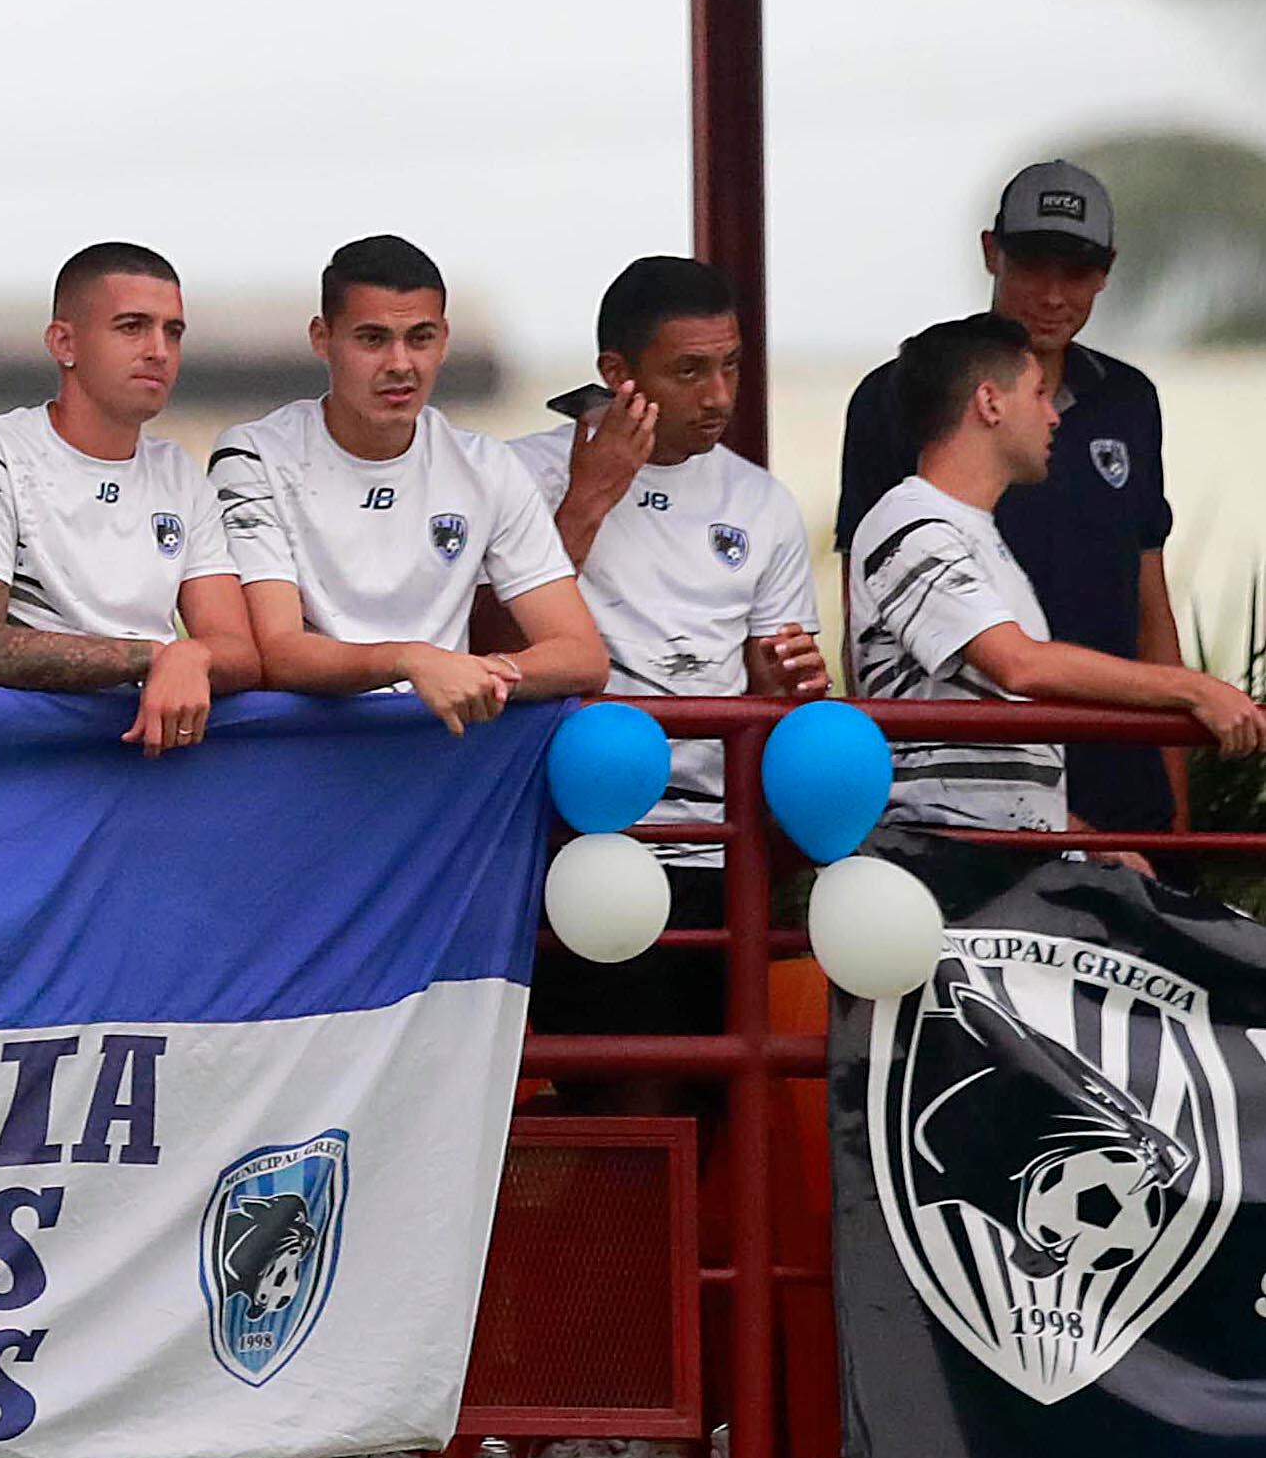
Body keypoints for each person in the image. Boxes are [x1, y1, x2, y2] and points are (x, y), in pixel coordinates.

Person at [507, 255, 822, 1045]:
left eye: (731, 366)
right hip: (574, 835)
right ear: (618, 372)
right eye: (689, 371)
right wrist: (590, 495)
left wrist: (797, 685)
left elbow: (772, 690)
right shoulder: (518, 473)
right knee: (626, 1100)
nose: (718, 396)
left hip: (721, 850)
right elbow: (485, 647)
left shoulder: (760, 500)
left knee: (717, 1099)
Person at [837, 162, 1187, 838]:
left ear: (1107, 270)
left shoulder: (1130, 399)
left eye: (1078, 270)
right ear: (991, 252)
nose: (1053, 295)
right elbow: (868, 619)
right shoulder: (901, 394)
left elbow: (1152, 607)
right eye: (1032, 264)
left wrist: (1177, 819)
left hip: (1120, 768)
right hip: (977, 795)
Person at [850, 311, 1262, 835]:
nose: (1054, 416)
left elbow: (997, 757)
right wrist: (1195, 690)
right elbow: (1020, 666)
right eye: (1039, 393)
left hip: (995, 860)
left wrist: (1088, 843)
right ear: (989, 403)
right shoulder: (910, 523)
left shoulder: (969, 531)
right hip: (953, 867)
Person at [209, 236, 606, 728]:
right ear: (320, 337)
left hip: (442, 753)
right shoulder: (254, 454)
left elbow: (582, 655)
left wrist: (482, 674)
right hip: (309, 750)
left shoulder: (486, 464)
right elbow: (280, 653)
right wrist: (412, 662)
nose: (400, 363)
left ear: (444, 339)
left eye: (419, 338)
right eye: (372, 339)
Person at [0, 241, 258, 746]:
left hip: (147, 756)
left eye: (173, 332)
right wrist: (158, 657)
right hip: (23, 756)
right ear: (64, 343)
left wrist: (195, 655)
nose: (159, 351)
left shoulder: (178, 473)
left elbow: (239, 651)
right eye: (132, 327)